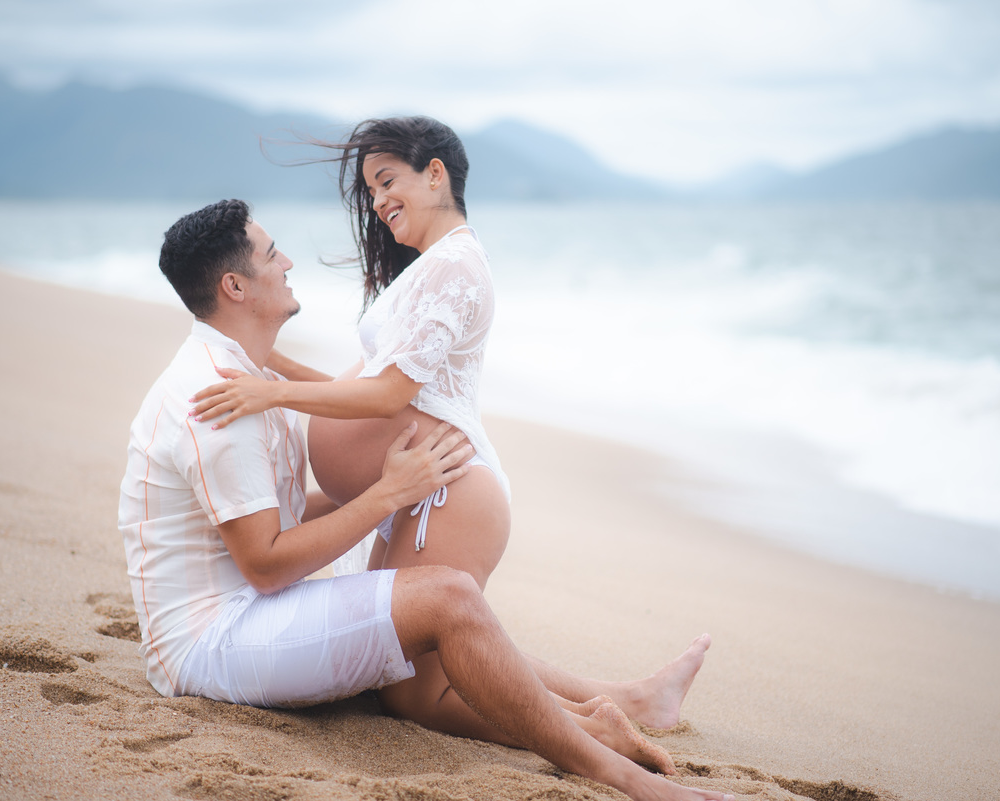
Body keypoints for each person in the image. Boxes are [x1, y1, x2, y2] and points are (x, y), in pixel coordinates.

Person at [119, 199, 733, 801]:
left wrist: (396, 486)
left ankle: (617, 708)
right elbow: (266, 563)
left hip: (249, 611)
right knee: (449, 598)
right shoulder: (215, 399)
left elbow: (280, 516)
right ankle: (629, 779)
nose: (288, 264)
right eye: (272, 254)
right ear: (234, 286)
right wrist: (390, 493)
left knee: (440, 619)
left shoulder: (251, 379)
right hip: (210, 643)